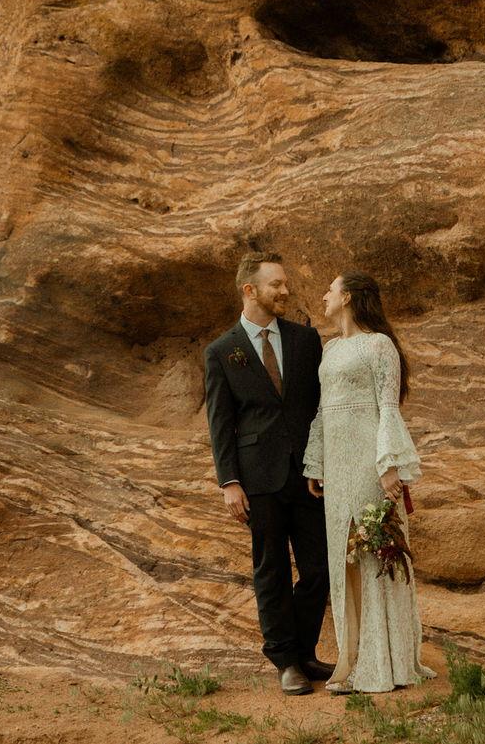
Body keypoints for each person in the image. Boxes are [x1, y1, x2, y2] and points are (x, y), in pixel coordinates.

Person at [203, 252, 333, 696]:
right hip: (257, 478)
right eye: (276, 284)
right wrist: (229, 482)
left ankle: (303, 651)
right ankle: (285, 661)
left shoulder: (305, 339)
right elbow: (220, 423)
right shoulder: (222, 351)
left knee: (319, 568)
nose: (285, 291)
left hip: (309, 475)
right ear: (250, 290)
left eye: (284, 283)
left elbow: (320, 406)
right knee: (271, 569)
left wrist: (325, 460)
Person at [302, 272, 436, 694]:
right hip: (337, 467)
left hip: (369, 465)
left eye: (330, 289)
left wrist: (389, 464)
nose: (325, 295)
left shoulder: (380, 345)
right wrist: (316, 463)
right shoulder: (330, 349)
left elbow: (387, 407)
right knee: (342, 558)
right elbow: (323, 410)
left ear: (348, 297)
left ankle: (384, 662)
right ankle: (354, 658)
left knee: (373, 552)